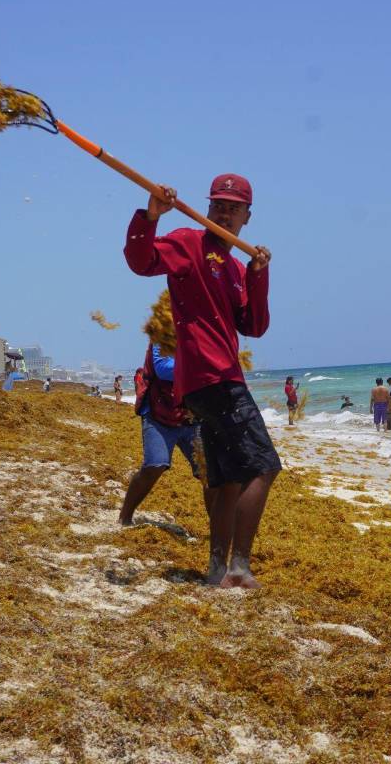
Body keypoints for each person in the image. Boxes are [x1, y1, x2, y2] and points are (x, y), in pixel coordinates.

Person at [124, 172, 278, 588]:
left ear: (247, 216)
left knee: (227, 479)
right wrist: (151, 216)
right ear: (208, 207)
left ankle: (216, 570)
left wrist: (258, 274)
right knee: (263, 467)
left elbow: (254, 326)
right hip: (215, 380)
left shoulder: (235, 267)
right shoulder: (190, 244)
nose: (224, 214)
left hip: (204, 386)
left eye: (233, 208)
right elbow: (141, 261)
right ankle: (239, 568)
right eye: (218, 206)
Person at [119, 342, 212, 525]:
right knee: (155, 465)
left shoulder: (200, 335)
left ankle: (218, 529)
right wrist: (202, 365)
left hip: (191, 416)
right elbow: (163, 369)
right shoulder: (162, 332)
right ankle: (125, 516)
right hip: (158, 414)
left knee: (210, 473)